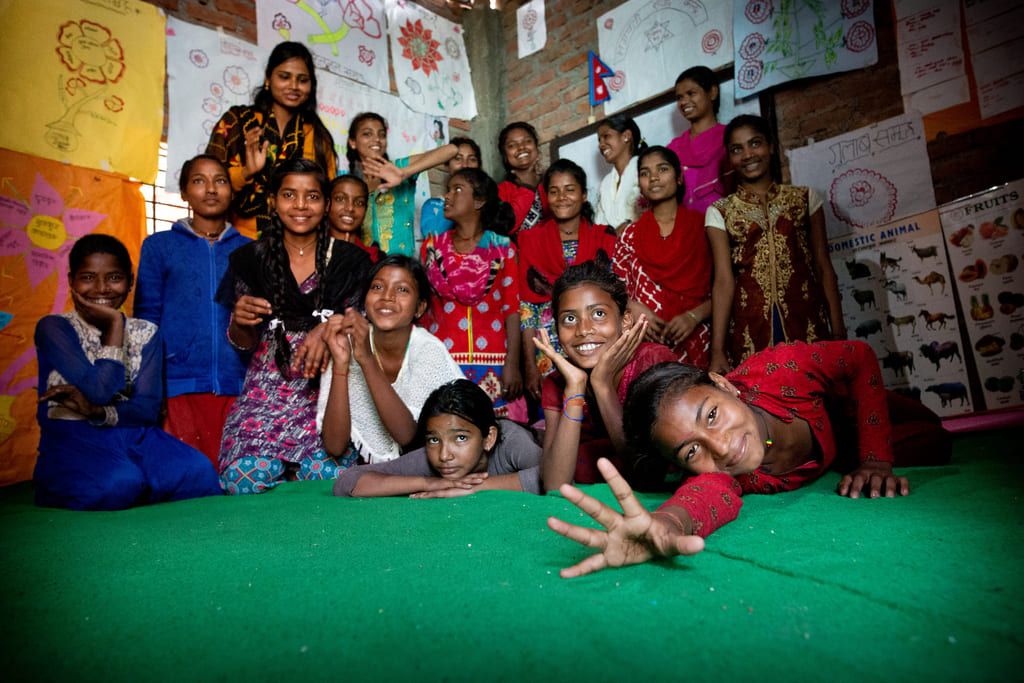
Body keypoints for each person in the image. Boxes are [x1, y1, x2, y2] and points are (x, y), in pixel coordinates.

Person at [547, 340, 951, 578]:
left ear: (724, 385)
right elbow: (696, 502)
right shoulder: (720, 475)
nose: (721, 448)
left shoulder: (780, 369)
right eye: (692, 451)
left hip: (849, 416)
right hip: (840, 457)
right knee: (932, 443)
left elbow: (859, 356)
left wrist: (875, 460)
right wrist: (662, 526)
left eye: (711, 415)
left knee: (933, 432)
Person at [33, 234, 221, 510]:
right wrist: (114, 325)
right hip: (74, 436)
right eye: (88, 278)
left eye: (114, 278)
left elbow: (146, 409)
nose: (101, 288)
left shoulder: (146, 332)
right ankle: (58, 483)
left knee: (199, 473)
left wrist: (97, 412)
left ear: (130, 282)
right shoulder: (54, 328)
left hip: (133, 433)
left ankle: (136, 482)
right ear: (71, 280)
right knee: (120, 484)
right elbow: (100, 390)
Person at [218, 159, 371, 494]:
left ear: (326, 204)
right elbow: (242, 343)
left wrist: (328, 327)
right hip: (264, 396)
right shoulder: (249, 259)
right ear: (273, 201)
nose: (300, 205)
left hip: (327, 394)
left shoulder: (351, 261)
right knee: (242, 478)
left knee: (329, 480)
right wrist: (240, 321)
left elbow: (363, 327)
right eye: (289, 195)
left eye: (312, 196)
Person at [133, 155, 251, 466]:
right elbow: (145, 321)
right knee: (183, 477)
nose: (211, 189)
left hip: (238, 385)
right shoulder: (159, 247)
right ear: (184, 192)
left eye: (220, 180)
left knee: (232, 478)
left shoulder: (251, 250)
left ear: (231, 191)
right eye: (199, 181)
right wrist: (149, 388)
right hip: (176, 385)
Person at [706, 115, 845, 374]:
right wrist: (717, 350)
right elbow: (723, 281)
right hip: (750, 330)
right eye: (737, 149)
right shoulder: (720, 211)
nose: (748, 155)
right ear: (730, 158)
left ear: (770, 146)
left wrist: (839, 334)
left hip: (807, 322)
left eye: (755, 143)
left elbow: (824, 267)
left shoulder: (804, 198)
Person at [535, 260, 676, 491]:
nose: (583, 330)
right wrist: (575, 387)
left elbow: (647, 474)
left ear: (625, 320)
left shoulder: (653, 362)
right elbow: (554, 484)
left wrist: (602, 384)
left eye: (598, 314)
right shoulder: (558, 381)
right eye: (569, 319)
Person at [316, 255, 464, 466]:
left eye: (402, 289)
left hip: (423, 458)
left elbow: (407, 438)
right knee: (325, 471)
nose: (387, 297)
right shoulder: (347, 341)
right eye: (377, 287)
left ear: (419, 308)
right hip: (366, 464)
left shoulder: (428, 349)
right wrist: (340, 365)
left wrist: (366, 359)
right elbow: (334, 446)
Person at [206, 42, 335, 239]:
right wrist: (246, 172)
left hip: (298, 246)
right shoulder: (237, 122)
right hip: (238, 241)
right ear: (268, 78)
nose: (294, 86)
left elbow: (328, 197)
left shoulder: (317, 136)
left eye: (302, 80)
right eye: (284, 77)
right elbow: (209, 187)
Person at [421, 168, 523, 417]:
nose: (447, 196)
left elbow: (512, 308)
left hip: (494, 359)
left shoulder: (502, 247)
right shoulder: (432, 247)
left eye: (457, 189)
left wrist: (512, 362)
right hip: (443, 358)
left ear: (478, 201)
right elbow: (423, 308)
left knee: (495, 430)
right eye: (448, 190)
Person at [333, 379, 542, 497]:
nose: (444, 455)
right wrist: (429, 483)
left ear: (489, 438)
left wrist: (472, 488)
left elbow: (553, 478)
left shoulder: (512, 441)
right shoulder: (432, 458)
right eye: (433, 440)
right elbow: (347, 482)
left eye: (460, 438)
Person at [518, 159, 617, 401]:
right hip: (548, 350)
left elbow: (616, 298)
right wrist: (529, 365)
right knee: (554, 413)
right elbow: (527, 309)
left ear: (584, 195)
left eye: (569, 189)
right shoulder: (530, 241)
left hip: (592, 339)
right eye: (554, 191)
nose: (562, 197)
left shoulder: (604, 238)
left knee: (599, 407)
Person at [612, 146, 711, 365]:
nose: (654, 177)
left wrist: (693, 316)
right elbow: (613, 290)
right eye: (645, 173)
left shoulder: (704, 228)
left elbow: (724, 287)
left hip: (700, 338)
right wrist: (632, 307)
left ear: (679, 178)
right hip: (647, 344)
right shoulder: (629, 235)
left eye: (662, 169)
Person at [344, 112, 459, 256]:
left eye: (381, 135)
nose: (377, 139)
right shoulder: (349, 185)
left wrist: (404, 173)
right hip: (366, 266)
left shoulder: (399, 167)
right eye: (367, 134)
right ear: (353, 142)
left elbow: (452, 150)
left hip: (402, 265)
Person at [666, 66, 729, 215]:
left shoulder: (730, 138)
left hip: (726, 224)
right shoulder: (674, 148)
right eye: (679, 97)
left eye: (691, 93)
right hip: (686, 227)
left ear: (712, 92)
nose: (684, 102)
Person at [420, 137, 483, 238]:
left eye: (472, 159)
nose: (465, 165)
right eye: (458, 158)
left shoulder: (487, 202)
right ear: (447, 165)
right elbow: (432, 238)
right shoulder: (433, 206)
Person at [594, 114, 646, 233]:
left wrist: (624, 230)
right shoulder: (605, 183)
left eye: (606, 136)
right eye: (599, 140)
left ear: (626, 136)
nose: (601, 145)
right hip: (612, 244)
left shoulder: (644, 170)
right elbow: (600, 227)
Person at [497, 121, 549, 238]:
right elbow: (504, 228)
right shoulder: (500, 191)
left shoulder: (551, 182)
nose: (521, 147)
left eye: (527, 141)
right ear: (505, 155)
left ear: (537, 147)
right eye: (512, 145)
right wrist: (527, 187)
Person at [327, 174, 379, 262]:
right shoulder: (309, 249)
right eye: (340, 199)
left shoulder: (373, 257)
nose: (350, 208)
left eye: (359, 203)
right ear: (327, 204)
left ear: (365, 210)